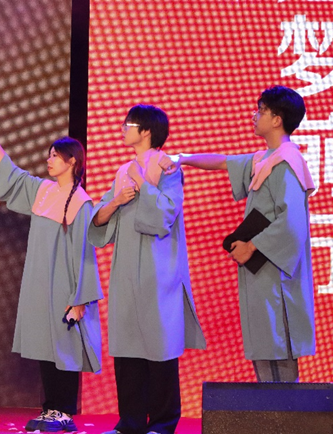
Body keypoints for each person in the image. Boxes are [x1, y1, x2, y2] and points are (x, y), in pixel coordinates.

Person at [168, 86, 315, 382]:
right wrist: (182, 158)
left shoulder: (287, 162)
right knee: (265, 347)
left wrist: (252, 246)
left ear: (277, 119)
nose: (254, 115)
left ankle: (284, 411)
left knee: (279, 351)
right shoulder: (266, 158)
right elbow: (223, 161)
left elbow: (293, 223)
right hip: (263, 271)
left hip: (277, 271)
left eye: (261, 110)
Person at [0, 109, 103, 432]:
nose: (49, 160)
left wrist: (80, 298)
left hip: (65, 286)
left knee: (64, 347)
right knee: (45, 347)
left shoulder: (81, 202)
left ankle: (64, 411)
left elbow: (84, 253)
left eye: (55, 156)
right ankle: (50, 409)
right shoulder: (43, 191)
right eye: (49, 155)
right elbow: (9, 171)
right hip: (39, 282)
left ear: (72, 161)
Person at [88, 104, 206, 434]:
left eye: (129, 124)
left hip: (159, 269)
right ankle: (130, 422)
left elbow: (165, 213)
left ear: (147, 131)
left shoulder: (168, 168)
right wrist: (116, 200)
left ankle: (163, 423)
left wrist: (143, 183)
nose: (123, 128)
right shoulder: (123, 170)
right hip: (126, 269)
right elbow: (99, 219)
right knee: (127, 349)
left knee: (160, 348)